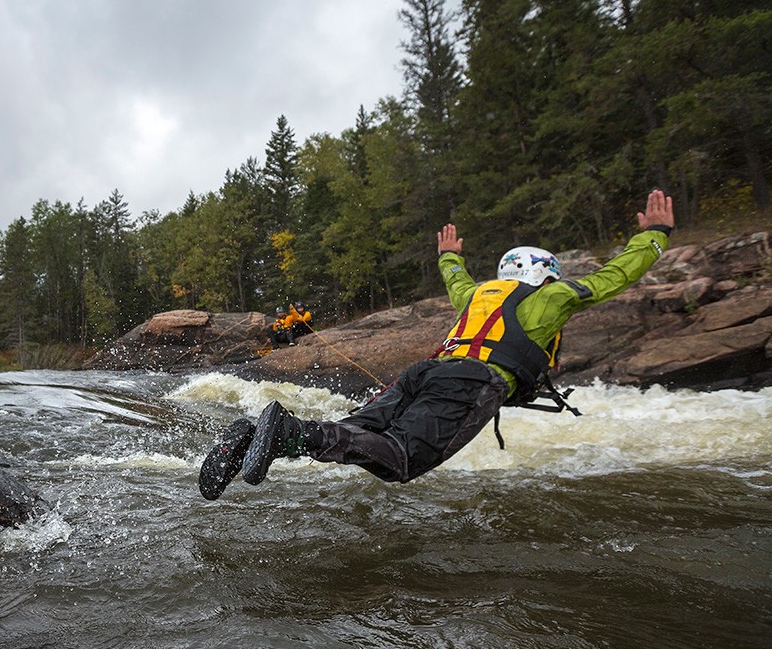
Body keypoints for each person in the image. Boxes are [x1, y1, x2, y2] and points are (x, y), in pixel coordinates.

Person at [198, 189, 675, 500]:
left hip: (420, 376)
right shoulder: (551, 296)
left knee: (352, 436)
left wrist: (450, 257)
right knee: (400, 459)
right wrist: (654, 235)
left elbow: (456, 282)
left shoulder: (479, 293)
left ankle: (249, 437)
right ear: (544, 273)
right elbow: (615, 276)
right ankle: (281, 431)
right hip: (469, 384)